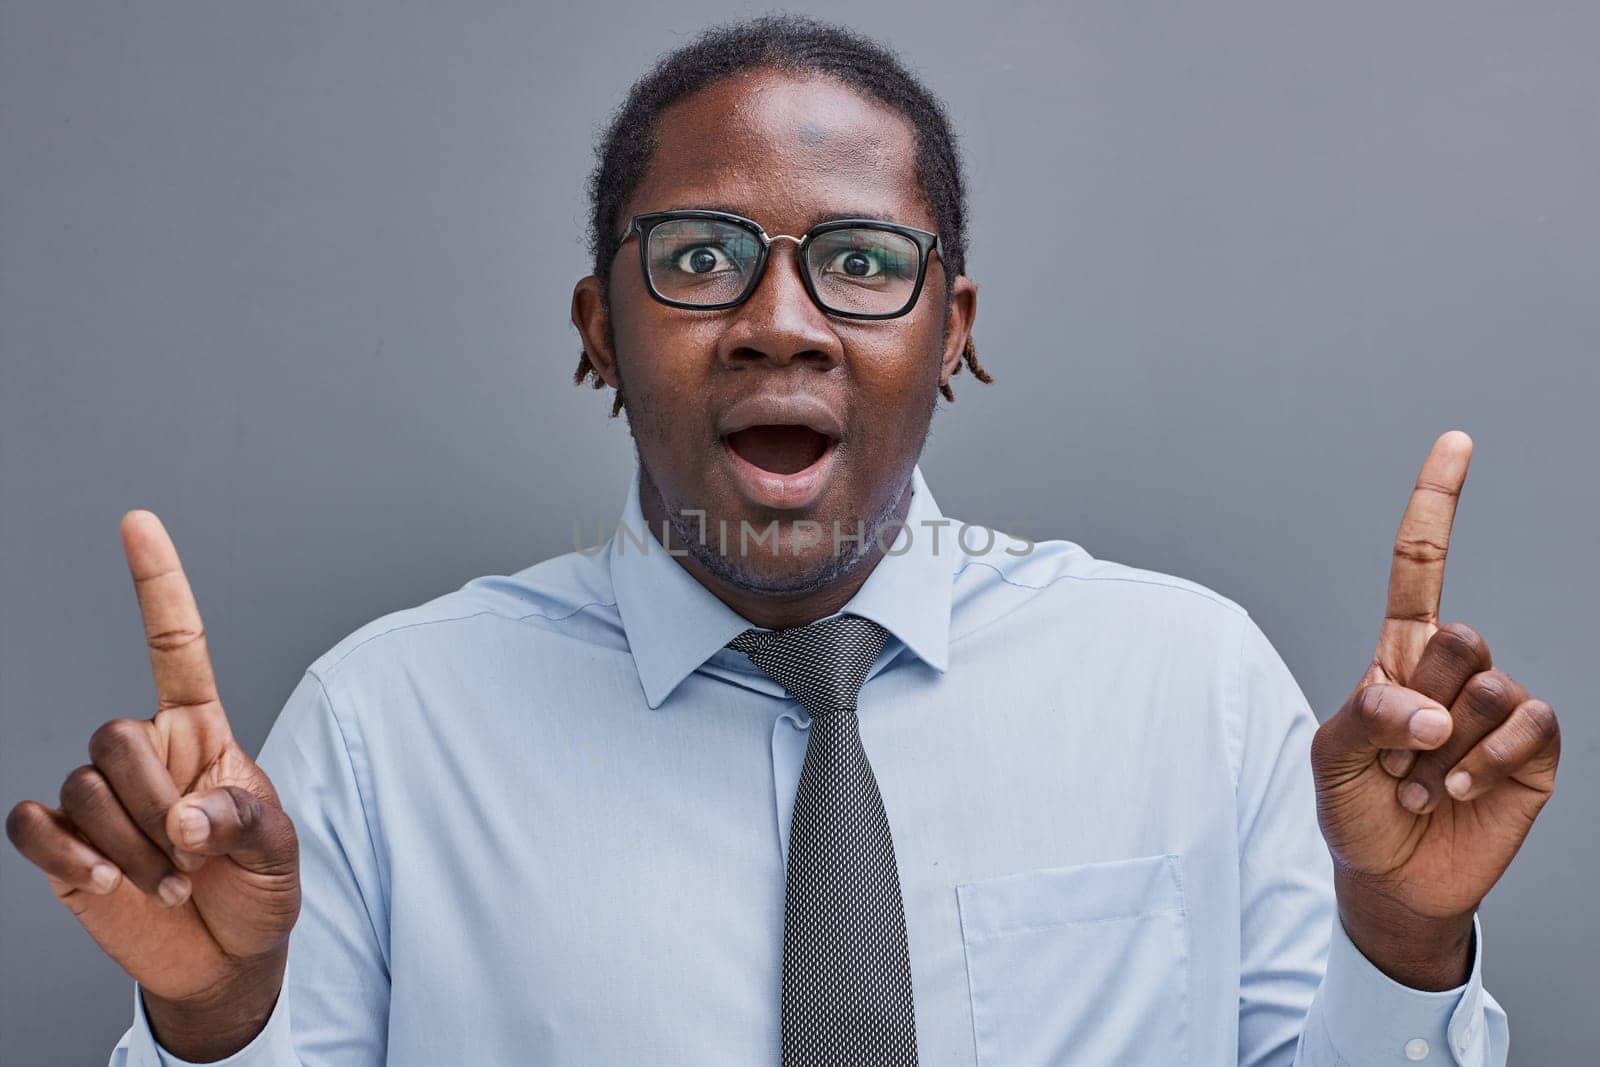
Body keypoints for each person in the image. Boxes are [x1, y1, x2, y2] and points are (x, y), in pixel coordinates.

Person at [6, 15, 1560, 1066]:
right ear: (596, 334)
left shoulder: (1189, 685)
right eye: (696, 257)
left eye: (863, 264)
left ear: (953, 334)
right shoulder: (390, 726)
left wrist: (1406, 937)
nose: (778, 324)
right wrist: (213, 1023)